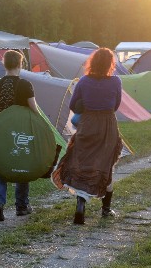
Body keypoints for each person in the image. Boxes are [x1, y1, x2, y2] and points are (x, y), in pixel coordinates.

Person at [51, 47, 123, 224]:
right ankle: (106, 209)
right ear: (110, 64)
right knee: (105, 164)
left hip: (88, 124)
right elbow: (116, 106)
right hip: (107, 125)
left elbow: (74, 106)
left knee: (83, 163)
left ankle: (80, 205)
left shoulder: (83, 81)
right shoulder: (115, 82)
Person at [0, 50, 43, 222]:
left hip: (2, 134)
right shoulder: (26, 85)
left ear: (4, 64)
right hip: (21, 132)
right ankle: (21, 206)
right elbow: (34, 110)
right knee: (22, 167)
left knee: (0, 168)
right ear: (20, 64)